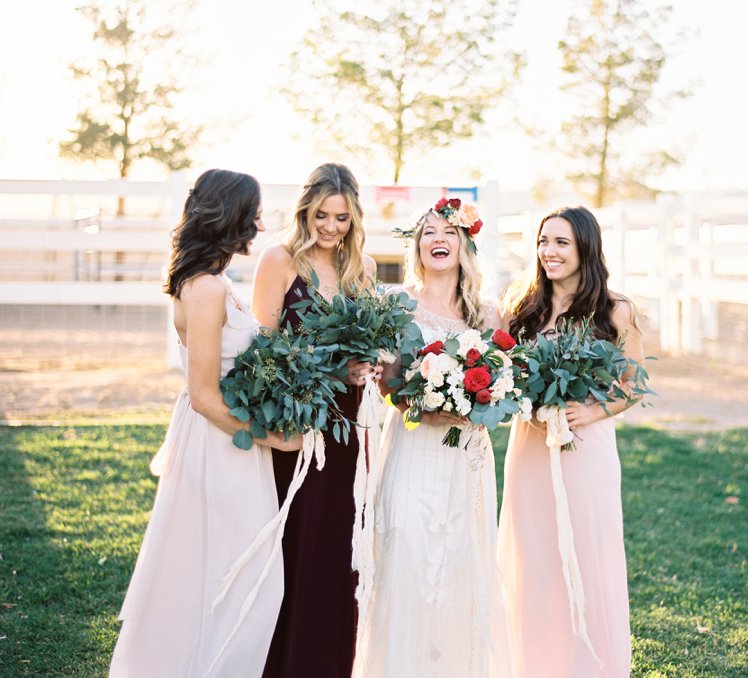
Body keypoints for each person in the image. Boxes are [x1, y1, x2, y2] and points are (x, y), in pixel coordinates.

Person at [110, 169, 303, 678]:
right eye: (253, 212)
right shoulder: (204, 288)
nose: (260, 224)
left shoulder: (216, 281)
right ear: (231, 216)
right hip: (220, 445)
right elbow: (201, 396)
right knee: (234, 576)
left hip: (235, 443)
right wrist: (274, 440)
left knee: (239, 575)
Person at [352, 200, 510, 678]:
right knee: (408, 550)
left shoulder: (487, 313)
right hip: (415, 444)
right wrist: (425, 402)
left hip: (468, 454)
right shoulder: (397, 303)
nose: (438, 239)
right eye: (428, 233)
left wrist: (473, 403)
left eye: (448, 232)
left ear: (465, 244)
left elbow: (504, 384)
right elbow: (389, 384)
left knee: (464, 556)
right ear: (417, 246)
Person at [498, 206, 645, 677]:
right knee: (535, 559)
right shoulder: (520, 307)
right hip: (530, 451)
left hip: (586, 450)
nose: (549, 252)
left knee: (586, 556)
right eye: (544, 241)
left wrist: (594, 409)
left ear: (585, 246)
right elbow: (502, 375)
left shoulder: (616, 310)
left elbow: (634, 385)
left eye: (561, 242)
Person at [252, 163, 377, 677]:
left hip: (347, 426)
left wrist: (368, 363)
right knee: (292, 545)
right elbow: (263, 350)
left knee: (335, 547)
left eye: (342, 218)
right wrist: (329, 366)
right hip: (296, 421)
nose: (330, 227)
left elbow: (367, 339)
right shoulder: (280, 261)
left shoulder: (360, 269)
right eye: (322, 215)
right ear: (305, 210)